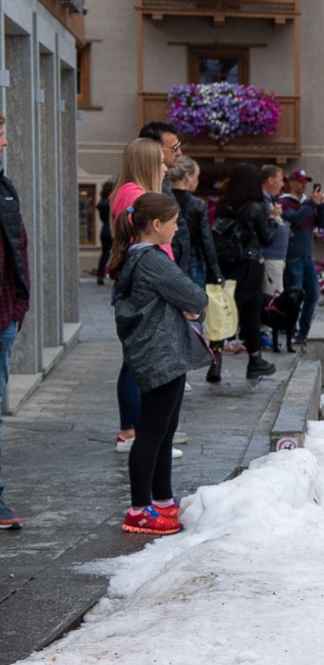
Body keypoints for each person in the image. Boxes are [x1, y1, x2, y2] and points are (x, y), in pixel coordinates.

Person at [108, 193, 206, 534]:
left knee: (164, 430)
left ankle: (161, 499)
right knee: (151, 433)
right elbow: (194, 296)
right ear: (156, 224)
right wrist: (189, 306)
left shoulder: (141, 257)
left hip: (163, 351)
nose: (177, 228)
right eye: (174, 222)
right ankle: (138, 509)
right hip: (161, 353)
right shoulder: (153, 260)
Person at [109, 138, 168, 451]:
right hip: (146, 289)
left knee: (135, 362)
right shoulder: (135, 194)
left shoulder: (131, 192)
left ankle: (135, 431)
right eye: (159, 161)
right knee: (137, 363)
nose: (165, 167)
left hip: (142, 286)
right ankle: (134, 433)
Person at [210, 164, 277, 381]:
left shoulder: (224, 204)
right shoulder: (255, 207)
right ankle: (255, 360)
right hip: (249, 264)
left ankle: (216, 359)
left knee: (224, 310)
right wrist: (273, 221)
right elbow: (266, 238)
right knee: (251, 313)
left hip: (228, 264)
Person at [0, 114, 29, 529]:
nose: (6, 142)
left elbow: (18, 248)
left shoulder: (5, 188)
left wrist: (18, 307)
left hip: (4, 315)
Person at [278, 169, 324, 346]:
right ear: (290, 183)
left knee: (312, 295)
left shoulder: (307, 203)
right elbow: (296, 219)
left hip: (307, 256)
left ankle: (304, 331)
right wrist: (312, 204)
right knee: (294, 298)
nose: (303, 185)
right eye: (300, 181)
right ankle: (292, 330)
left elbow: (322, 223)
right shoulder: (284, 202)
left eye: (305, 181)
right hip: (293, 256)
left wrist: (321, 205)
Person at [166, 157, 222, 290]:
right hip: (192, 259)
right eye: (196, 176)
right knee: (194, 305)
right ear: (187, 177)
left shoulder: (165, 199)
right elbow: (206, 239)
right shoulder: (197, 204)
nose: (198, 180)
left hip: (168, 256)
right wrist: (216, 272)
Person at [258, 164, 289, 307]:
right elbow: (260, 227)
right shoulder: (262, 201)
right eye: (280, 179)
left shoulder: (270, 199)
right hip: (270, 255)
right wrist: (271, 216)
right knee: (273, 298)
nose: (282, 184)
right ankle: (267, 328)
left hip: (276, 256)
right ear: (271, 180)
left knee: (275, 294)